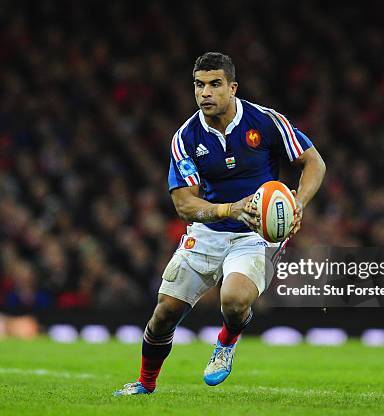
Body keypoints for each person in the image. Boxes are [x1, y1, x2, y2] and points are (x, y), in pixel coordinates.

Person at [114, 52, 325, 396]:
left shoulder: (265, 121)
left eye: (214, 85)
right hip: (208, 232)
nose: (205, 93)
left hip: (256, 234)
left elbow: (313, 162)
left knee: (234, 299)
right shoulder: (185, 137)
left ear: (232, 87)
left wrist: (297, 204)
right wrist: (230, 209)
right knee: (164, 314)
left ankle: (226, 341)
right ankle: (145, 384)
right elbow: (184, 204)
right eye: (199, 85)